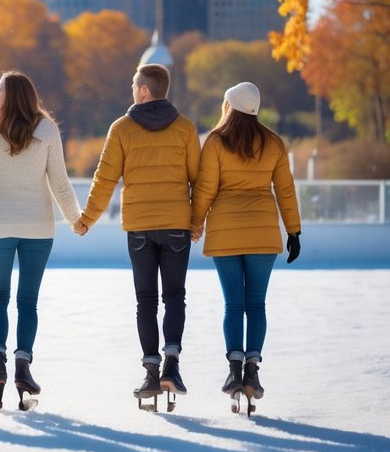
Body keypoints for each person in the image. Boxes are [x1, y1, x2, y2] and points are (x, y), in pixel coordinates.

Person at [73, 63, 201, 402]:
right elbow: (197, 179)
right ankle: (172, 366)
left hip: (140, 227)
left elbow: (105, 179)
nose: (132, 89)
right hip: (176, 224)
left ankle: (150, 373)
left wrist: (87, 218)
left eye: (134, 84)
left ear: (144, 90)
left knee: (145, 300)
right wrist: (196, 220)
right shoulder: (186, 128)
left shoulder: (122, 129)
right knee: (174, 295)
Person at [0, 71, 81, 406]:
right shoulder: (46, 129)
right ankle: (22, 367)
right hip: (38, 227)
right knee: (27, 301)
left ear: (10, 94)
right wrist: (76, 219)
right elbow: (59, 182)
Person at [189, 82, 302, 406]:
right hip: (263, 234)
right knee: (256, 305)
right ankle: (252, 371)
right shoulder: (273, 143)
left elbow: (206, 189)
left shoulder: (215, 142)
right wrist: (293, 231)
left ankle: (233, 369)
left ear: (230, 106)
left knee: (233, 305)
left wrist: (195, 224)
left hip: (225, 232)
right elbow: (286, 190)